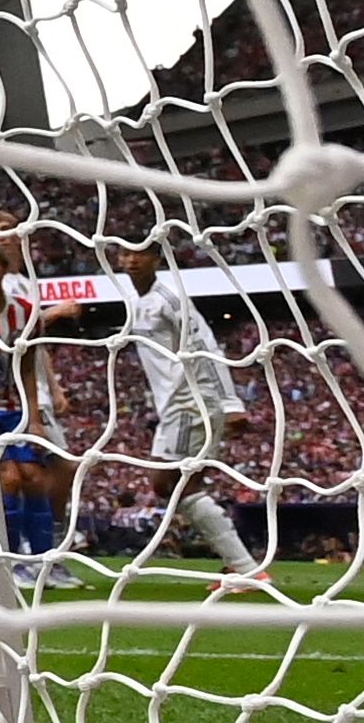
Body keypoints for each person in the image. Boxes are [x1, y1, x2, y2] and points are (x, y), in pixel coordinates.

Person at [114, 231, 268, 592]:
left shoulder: (170, 299)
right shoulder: (137, 302)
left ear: (156, 259)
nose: (132, 259)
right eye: (126, 253)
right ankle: (244, 569)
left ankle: (247, 570)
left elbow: (204, 346)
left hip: (190, 402)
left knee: (168, 483)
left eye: (142, 253)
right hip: (176, 404)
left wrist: (230, 402)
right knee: (181, 485)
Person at [0, 221, 85, 590]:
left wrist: (35, 414)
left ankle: (44, 561)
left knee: (37, 478)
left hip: (16, 406)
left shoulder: (21, 310)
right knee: (9, 478)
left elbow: (27, 362)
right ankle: (14, 559)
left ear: (5, 269)